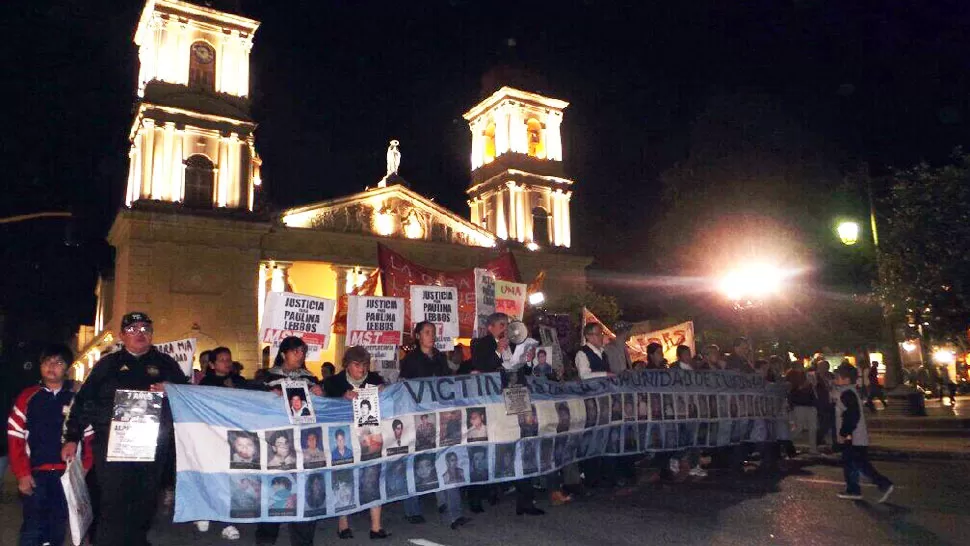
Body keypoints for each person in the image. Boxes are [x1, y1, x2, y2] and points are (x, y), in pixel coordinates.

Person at [61, 312, 188, 546]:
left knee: (145, 501)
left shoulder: (166, 364)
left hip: (152, 450)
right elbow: (84, 401)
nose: (139, 334)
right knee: (112, 501)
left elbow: (189, 397)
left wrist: (172, 389)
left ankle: (137, 540)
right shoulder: (107, 365)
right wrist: (72, 437)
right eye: (132, 329)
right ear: (121, 336)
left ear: (151, 335)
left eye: (145, 329)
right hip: (112, 449)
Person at [9, 344, 93, 546]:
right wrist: (22, 474)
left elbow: (90, 437)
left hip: (66, 475)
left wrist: (84, 470)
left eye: (58, 362)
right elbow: (15, 436)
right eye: (47, 362)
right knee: (32, 527)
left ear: (67, 368)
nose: (52, 367)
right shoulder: (28, 397)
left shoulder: (77, 398)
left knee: (58, 525)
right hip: (36, 474)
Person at [249, 336, 322, 546]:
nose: (300, 356)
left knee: (302, 492)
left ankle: (303, 541)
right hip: (274, 444)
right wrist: (267, 395)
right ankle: (266, 538)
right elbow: (249, 400)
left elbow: (322, 407)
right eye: (295, 351)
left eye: (302, 352)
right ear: (283, 353)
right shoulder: (266, 377)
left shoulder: (309, 378)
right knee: (273, 490)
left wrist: (320, 393)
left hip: (301, 445)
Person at [470, 312, 544, 516]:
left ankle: (525, 501)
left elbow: (524, 373)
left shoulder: (515, 342)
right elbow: (481, 365)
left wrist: (528, 361)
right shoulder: (479, 343)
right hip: (494, 404)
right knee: (489, 448)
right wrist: (497, 351)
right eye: (502, 324)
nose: (506, 328)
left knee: (523, 446)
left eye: (508, 324)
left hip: (516, 399)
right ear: (490, 327)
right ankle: (478, 495)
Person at [398, 321, 468, 527]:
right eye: (427, 332)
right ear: (418, 335)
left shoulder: (439, 357)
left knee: (447, 459)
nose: (432, 336)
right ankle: (412, 509)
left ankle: (454, 510)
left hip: (441, 416)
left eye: (433, 333)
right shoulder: (411, 360)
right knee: (417, 461)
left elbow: (448, 383)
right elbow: (405, 388)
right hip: (419, 418)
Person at [324, 346, 390, 539]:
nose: (362, 369)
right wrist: (341, 397)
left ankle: (376, 527)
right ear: (347, 365)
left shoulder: (375, 380)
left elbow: (388, 398)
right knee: (344, 478)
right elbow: (322, 402)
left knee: (372, 476)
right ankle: (343, 524)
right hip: (343, 439)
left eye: (365, 364)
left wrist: (383, 392)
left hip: (369, 437)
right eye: (357, 364)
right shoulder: (333, 382)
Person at [194, 346, 245, 539]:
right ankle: (204, 511)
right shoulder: (206, 383)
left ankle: (227, 521)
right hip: (212, 437)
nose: (227, 362)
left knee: (230, 479)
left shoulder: (239, 381)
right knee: (211, 476)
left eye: (229, 359)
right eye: (222, 360)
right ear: (213, 364)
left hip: (234, 437)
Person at [834, 363, 894, 502]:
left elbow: (851, 416)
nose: (835, 379)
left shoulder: (847, 393)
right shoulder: (849, 392)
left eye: (838, 377)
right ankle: (853, 489)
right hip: (855, 436)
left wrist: (844, 433)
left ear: (846, 379)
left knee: (859, 464)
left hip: (853, 437)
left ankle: (883, 484)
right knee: (851, 463)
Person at [786, 362, 818, 455]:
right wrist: (804, 385)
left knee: (813, 427)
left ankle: (813, 448)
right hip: (799, 403)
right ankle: (786, 441)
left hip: (810, 403)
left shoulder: (805, 374)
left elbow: (813, 387)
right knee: (799, 427)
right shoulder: (791, 375)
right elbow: (792, 390)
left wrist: (812, 383)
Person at [815, 360, 837, 452]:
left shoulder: (831, 376)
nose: (823, 369)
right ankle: (818, 439)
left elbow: (835, 386)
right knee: (824, 423)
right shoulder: (815, 377)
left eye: (825, 367)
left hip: (832, 401)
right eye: (821, 367)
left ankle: (836, 443)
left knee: (834, 423)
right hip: (821, 402)